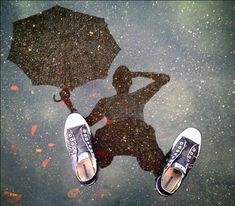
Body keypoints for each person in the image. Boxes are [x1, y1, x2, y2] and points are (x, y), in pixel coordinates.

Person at [85, 65, 170, 175]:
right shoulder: (138, 96)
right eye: (124, 79)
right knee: (147, 157)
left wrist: (71, 107)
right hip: (135, 136)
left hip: (117, 138)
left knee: (102, 155)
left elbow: (87, 123)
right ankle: (161, 171)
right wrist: (137, 74)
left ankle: (90, 163)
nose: (122, 82)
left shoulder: (106, 102)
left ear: (113, 84)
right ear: (130, 82)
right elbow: (164, 78)